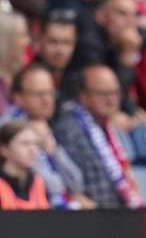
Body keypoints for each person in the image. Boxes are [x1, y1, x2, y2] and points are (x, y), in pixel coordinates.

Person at [54, 65, 145, 209]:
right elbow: (73, 187)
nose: (111, 100)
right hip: (91, 217)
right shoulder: (69, 129)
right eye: (103, 94)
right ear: (83, 96)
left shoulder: (111, 128)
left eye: (115, 93)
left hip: (117, 215)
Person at [3, 63, 92, 210]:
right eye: (39, 94)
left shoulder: (43, 125)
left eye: (50, 93)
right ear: (19, 98)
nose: (47, 101)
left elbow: (77, 183)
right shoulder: (9, 129)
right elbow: (51, 186)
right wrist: (72, 198)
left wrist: (53, 150)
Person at [0, 119, 48, 210]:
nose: (33, 150)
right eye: (25, 144)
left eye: (36, 144)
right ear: (4, 149)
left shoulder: (38, 182)